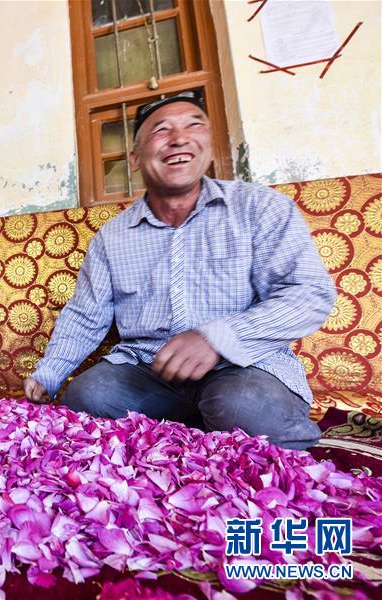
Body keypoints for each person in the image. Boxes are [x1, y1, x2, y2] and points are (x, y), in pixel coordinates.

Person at [23, 91, 336, 450]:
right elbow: (85, 315)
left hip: (243, 366)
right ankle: (192, 441)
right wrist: (49, 374)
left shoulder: (261, 208)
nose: (179, 138)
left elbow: (308, 294)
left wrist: (216, 338)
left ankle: (232, 445)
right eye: (161, 130)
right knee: (88, 396)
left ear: (208, 144)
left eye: (193, 125)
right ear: (136, 158)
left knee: (241, 405)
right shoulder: (112, 237)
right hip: (150, 372)